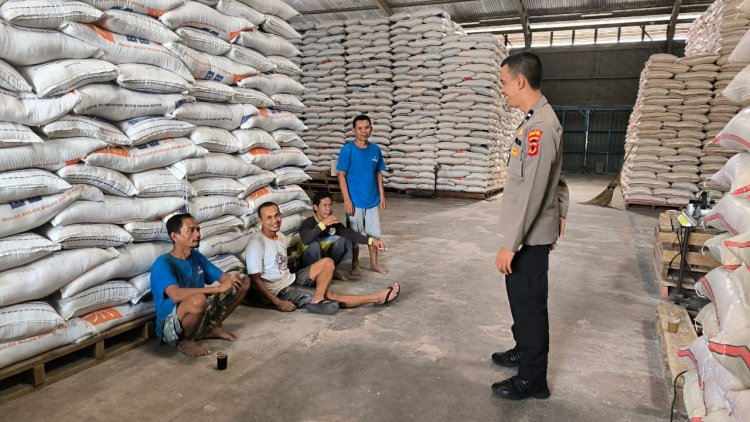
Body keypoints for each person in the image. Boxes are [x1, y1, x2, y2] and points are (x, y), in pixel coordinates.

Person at [491, 51, 569, 400]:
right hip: (529, 233)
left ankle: (533, 380)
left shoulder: (539, 127)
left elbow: (536, 188)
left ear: (520, 81)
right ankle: (524, 349)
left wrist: (512, 242)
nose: (503, 90)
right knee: (519, 299)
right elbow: (558, 180)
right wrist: (561, 213)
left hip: (528, 238)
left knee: (530, 306)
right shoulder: (535, 119)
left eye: (504, 82)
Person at [246, 202, 399, 315]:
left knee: (327, 263)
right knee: (331, 295)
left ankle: (317, 298)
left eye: (277, 215)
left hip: (290, 278)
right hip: (279, 290)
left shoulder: (280, 236)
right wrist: (278, 303)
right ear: (260, 221)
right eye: (269, 218)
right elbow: (256, 280)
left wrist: (371, 241)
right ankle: (376, 298)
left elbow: (349, 234)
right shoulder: (256, 243)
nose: (275, 220)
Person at [150, 213, 250, 358]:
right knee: (198, 299)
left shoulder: (196, 256)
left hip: (197, 315)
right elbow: (176, 295)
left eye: (198, 229)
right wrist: (217, 289)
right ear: (175, 236)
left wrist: (232, 279)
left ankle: (212, 327)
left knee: (243, 281)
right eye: (191, 230)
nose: (197, 234)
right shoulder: (163, 263)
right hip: (170, 327)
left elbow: (224, 278)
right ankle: (186, 341)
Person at [336, 114, 389, 276]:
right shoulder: (348, 150)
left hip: (372, 200)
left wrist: (382, 194)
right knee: (355, 234)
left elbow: (378, 173)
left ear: (371, 129)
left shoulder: (375, 150)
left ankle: (374, 263)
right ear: (354, 131)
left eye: (367, 127)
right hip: (355, 201)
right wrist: (347, 200)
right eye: (360, 128)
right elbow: (341, 175)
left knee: (374, 234)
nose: (363, 131)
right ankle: (355, 263)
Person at [298, 191, 386, 281]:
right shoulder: (307, 223)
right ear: (316, 207)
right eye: (324, 205)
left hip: (324, 258)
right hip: (307, 263)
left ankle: (330, 270)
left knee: (346, 240)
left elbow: (350, 234)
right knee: (314, 246)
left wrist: (372, 241)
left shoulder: (333, 222)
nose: (328, 208)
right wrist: (322, 225)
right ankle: (322, 274)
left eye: (330, 205)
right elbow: (306, 240)